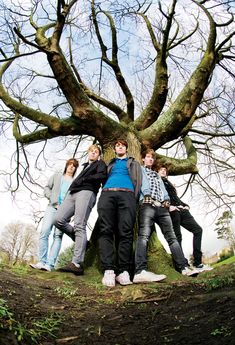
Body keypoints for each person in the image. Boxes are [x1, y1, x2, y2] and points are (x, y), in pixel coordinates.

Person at [133, 149, 199, 283]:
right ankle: (140, 270)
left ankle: (183, 267)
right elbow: (138, 183)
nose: (150, 159)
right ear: (143, 159)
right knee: (144, 236)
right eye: (148, 157)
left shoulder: (157, 175)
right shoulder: (140, 169)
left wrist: (167, 199)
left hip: (162, 207)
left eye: (152, 158)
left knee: (172, 237)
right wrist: (144, 195)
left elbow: (163, 189)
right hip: (147, 204)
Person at [54, 144, 107, 276]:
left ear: (98, 155)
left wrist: (85, 178)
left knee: (79, 225)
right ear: (88, 153)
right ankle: (81, 240)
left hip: (87, 192)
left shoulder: (100, 164)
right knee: (57, 220)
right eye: (91, 151)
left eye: (96, 152)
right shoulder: (84, 166)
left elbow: (102, 176)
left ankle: (77, 263)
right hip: (72, 193)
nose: (93, 153)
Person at [98, 139, 142, 287]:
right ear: (115, 149)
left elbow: (139, 182)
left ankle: (124, 271)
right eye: (117, 145)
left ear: (126, 149)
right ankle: (109, 269)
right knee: (105, 230)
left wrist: (134, 198)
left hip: (127, 195)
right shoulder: (109, 163)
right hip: (107, 194)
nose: (120, 147)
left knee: (126, 232)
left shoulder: (134, 163)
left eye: (123, 145)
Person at [158, 165, 213, 272]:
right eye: (161, 170)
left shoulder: (169, 183)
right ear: (157, 172)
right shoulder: (157, 181)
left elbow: (176, 197)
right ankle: (182, 265)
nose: (163, 171)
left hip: (182, 210)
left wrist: (185, 205)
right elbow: (158, 196)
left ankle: (198, 263)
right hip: (172, 211)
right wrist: (169, 207)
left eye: (165, 170)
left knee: (198, 230)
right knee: (177, 237)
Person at [30, 158, 79, 271]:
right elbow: (47, 188)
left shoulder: (75, 182)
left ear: (75, 168)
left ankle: (49, 265)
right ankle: (42, 261)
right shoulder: (57, 176)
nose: (71, 167)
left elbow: (75, 199)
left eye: (74, 165)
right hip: (52, 207)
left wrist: (71, 212)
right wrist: (51, 197)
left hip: (64, 212)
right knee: (44, 232)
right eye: (70, 164)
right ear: (66, 166)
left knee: (57, 236)